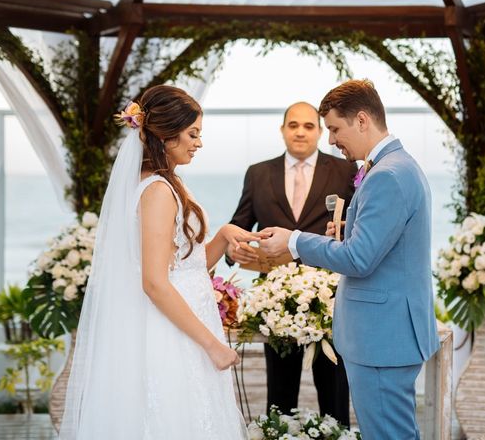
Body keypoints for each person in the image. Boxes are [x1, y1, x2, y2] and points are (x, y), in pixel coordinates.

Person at [60, 85, 259, 439]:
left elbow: (189, 265)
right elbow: (154, 281)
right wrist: (211, 345)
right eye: (193, 134)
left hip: (188, 320)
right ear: (166, 136)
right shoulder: (156, 191)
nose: (198, 143)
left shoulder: (170, 183)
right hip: (173, 333)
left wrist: (225, 235)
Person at [260, 80, 440, 440]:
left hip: (382, 338)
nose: (330, 140)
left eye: (334, 129)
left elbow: (359, 259)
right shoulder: (396, 166)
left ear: (361, 120)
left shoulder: (387, 175)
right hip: (387, 333)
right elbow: (381, 247)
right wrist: (349, 231)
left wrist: (294, 240)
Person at [227, 101, 356, 425]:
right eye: (293, 125)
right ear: (283, 130)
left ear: (320, 131)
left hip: (331, 303)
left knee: (336, 397)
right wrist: (232, 252)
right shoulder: (258, 173)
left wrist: (346, 231)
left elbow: (360, 230)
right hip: (275, 305)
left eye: (309, 125)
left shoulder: (345, 170)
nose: (300, 132)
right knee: (279, 401)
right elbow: (240, 225)